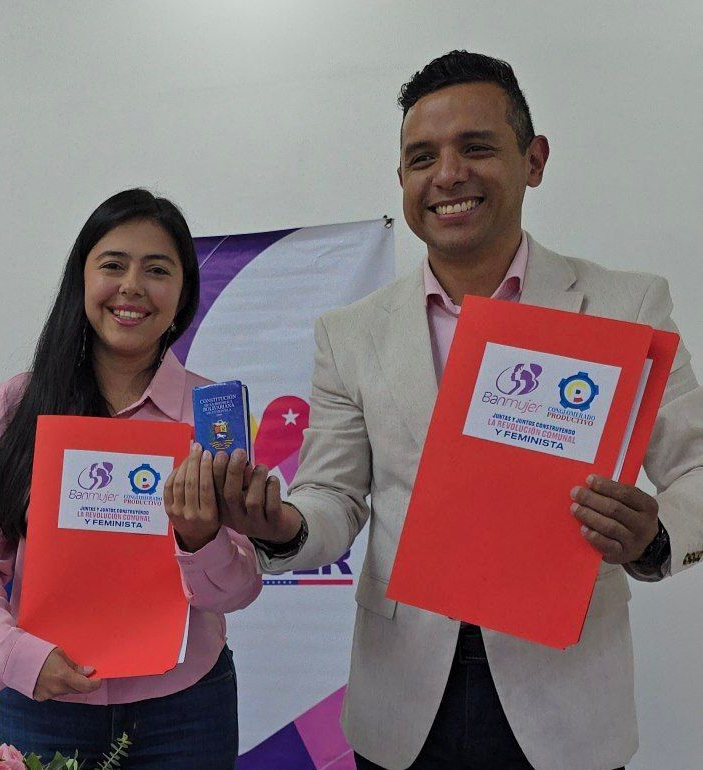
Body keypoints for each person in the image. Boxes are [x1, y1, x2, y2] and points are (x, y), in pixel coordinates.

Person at [211, 52, 702, 770]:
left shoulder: (627, 307)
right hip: (403, 702)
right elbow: (333, 497)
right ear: (404, 181)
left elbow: (695, 468)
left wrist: (655, 537)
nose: (448, 174)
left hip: (566, 705)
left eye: (476, 147)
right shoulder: (350, 334)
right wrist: (283, 525)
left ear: (533, 160)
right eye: (421, 158)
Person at [0, 189, 261, 769]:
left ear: (184, 292)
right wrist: (13, 656)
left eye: (158, 270)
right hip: (44, 703)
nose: (132, 287)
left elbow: (239, 588)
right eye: (112, 265)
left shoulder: (213, 414)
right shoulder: (22, 402)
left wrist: (199, 541)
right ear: (81, 280)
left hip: (185, 710)